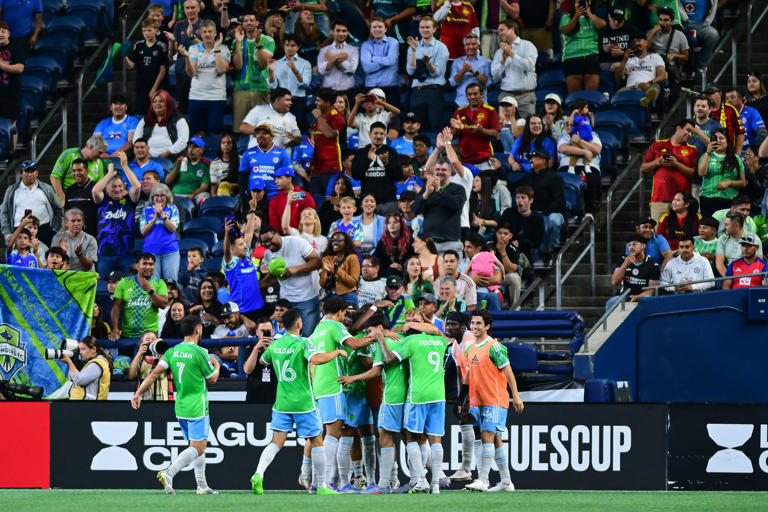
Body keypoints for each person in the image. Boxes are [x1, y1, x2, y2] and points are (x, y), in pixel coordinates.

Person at [249, 308, 345, 496]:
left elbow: (262, 361)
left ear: (282, 325)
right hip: (303, 403)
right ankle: (321, 486)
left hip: (282, 402)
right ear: (299, 324)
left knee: (276, 442)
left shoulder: (276, 345)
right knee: (317, 441)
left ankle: (258, 474)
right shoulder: (303, 343)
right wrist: (337, 352)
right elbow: (316, 359)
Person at [132, 314, 220, 495]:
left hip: (180, 407)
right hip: (197, 406)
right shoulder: (200, 352)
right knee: (198, 447)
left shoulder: (172, 352)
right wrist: (217, 364)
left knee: (196, 446)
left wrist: (138, 393)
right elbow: (212, 379)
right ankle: (169, 472)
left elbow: (154, 373)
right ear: (198, 330)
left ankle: (201, 485)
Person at [380, 317, 451, 494]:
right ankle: (435, 484)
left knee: (411, 436)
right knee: (435, 439)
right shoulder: (440, 341)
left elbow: (388, 358)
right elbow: (437, 331)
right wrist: (415, 324)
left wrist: (381, 338)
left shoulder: (411, 341)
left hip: (418, 395)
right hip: (438, 396)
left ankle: (420, 480)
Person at [337, 314, 403, 494]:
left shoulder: (387, 340)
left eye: (368, 329)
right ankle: (355, 480)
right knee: (361, 434)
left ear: (378, 327)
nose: (365, 332)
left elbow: (376, 367)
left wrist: (384, 336)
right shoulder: (358, 341)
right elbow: (372, 365)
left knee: (382, 436)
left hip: (380, 393)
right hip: (358, 392)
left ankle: (389, 479)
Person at [462, 309, 523, 492]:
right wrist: (462, 399)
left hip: (494, 399)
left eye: (479, 323)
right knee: (495, 439)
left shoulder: (494, 346)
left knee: (487, 435)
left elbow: (508, 371)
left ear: (487, 326)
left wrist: (516, 396)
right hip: (476, 400)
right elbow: (469, 376)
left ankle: (482, 479)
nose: (474, 327)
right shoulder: (470, 346)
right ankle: (506, 482)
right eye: (473, 323)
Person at [259, 225, 322, 335]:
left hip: (308, 297)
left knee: (308, 335)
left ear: (277, 234)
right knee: (290, 335)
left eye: (270, 239)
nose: (268, 244)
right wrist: (258, 285)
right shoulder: (268, 254)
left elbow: (317, 262)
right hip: (287, 300)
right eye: (264, 242)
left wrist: (295, 269)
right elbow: (274, 276)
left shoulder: (297, 242)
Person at [176, 19, 230, 135]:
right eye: (204, 32)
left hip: (217, 97)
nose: (207, 34)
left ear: (215, 33)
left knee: (214, 132)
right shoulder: (193, 49)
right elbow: (192, 73)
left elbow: (222, 69)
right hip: (196, 97)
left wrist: (217, 49)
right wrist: (186, 57)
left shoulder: (224, 48)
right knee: (197, 133)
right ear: (200, 33)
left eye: (210, 32)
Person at [92, 160, 141, 277]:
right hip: (105, 255)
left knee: (127, 286)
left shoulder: (129, 201)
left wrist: (125, 166)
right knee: (104, 285)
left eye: (120, 186)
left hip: (126, 254)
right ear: (107, 188)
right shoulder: (102, 201)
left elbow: (137, 186)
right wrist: (109, 174)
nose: (118, 189)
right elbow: (95, 191)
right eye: (114, 186)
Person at [231, 11, 276, 132]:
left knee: (263, 129)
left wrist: (258, 45)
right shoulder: (236, 41)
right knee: (241, 130)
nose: (249, 23)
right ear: (243, 24)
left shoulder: (268, 40)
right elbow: (238, 66)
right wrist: (239, 42)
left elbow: (262, 65)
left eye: (251, 20)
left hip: (261, 88)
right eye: (246, 21)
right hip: (241, 88)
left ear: (257, 23)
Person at [413, 155, 466, 255]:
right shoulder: (426, 189)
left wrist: (439, 190)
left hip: (450, 243)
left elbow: (455, 205)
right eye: (437, 169)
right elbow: (415, 210)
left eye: (444, 170)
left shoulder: (458, 189)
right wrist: (426, 193)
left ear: (450, 172)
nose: (440, 172)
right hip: (429, 244)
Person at [1, 161, 62, 247]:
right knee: (20, 259)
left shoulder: (47, 189)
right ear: (21, 174)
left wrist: (55, 230)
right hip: (20, 231)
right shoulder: (11, 191)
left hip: (43, 231)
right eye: (26, 171)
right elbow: (4, 213)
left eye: (32, 171)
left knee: (43, 258)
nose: (29, 174)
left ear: (37, 173)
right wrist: (7, 234)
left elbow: (58, 210)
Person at [111, 253, 170, 340]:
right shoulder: (124, 282)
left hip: (150, 335)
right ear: (138, 266)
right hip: (128, 335)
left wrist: (150, 291)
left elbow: (163, 304)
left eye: (151, 264)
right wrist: (115, 328)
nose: (148, 267)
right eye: (145, 263)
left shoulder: (159, 283)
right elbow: (116, 306)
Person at [406, 17, 449, 133]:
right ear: (419, 30)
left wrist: (428, 63)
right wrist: (414, 51)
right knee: (416, 129)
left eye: (428, 27)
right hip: (417, 91)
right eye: (422, 27)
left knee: (436, 127)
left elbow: (437, 73)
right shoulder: (413, 46)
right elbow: (410, 71)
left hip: (434, 91)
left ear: (434, 29)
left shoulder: (442, 47)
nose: (425, 30)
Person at [351, 122, 402, 212]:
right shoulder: (361, 152)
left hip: (389, 202)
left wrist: (386, 164)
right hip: (368, 203)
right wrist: (368, 160)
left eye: (381, 133)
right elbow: (356, 175)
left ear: (385, 135)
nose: (378, 136)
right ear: (370, 134)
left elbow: (398, 176)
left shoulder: (392, 152)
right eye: (375, 133)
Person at [491, 20, 537, 117]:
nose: (499, 34)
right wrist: (502, 63)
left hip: (526, 96)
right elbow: (495, 77)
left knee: (526, 128)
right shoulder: (499, 52)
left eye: (501, 30)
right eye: (498, 31)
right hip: (506, 95)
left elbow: (529, 66)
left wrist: (511, 54)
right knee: (506, 128)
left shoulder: (528, 45)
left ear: (511, 29)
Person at [556, 121, 603, 216]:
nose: (568, 127)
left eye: (571, 125)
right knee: (557, 180)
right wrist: (586, 152)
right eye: (567, 125)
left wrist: (579, 141)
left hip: (590, 168)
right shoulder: (564, 136)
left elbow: (596, 149)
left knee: (591, 178)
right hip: (566, 167)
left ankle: (589, 213)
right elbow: (564, 149)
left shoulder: (593, 135)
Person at [450, 83, 500, 171]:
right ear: (466, 96)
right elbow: (451, 136)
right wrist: (456, 129)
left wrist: (482, 130)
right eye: (469, 94)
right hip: (464, 161)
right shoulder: (459, 111)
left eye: (475, 94)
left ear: (481, 94)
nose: (472, 97)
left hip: (484, 160)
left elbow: (496, 134)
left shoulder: (490, 110)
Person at [698, 127, 747, 216]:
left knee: (727, 229)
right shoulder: (706, 156)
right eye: (715, 138)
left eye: (721, 138)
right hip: (708, 198)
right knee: (709, 228)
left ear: (727, 141)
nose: (718, 141)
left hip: (729, 199)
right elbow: (701, 173)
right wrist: (708, 152)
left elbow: (743, 182)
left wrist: (729, 183)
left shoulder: (736, 158)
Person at [125, 18, 169, 116]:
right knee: (141, 114)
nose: (146, 33)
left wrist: (154, 88)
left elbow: (163, 70)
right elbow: (130, 66)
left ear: (156, 31)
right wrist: (124, 56)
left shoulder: (161, 46)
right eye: (144, 30)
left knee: (156, 114)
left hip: (156, 86)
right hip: (141, 85)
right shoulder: (138, 45)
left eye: (149, 30)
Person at [559, 0, 605, 94]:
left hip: (591, 56)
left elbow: (602, 25)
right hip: (572, 57)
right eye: (578, 2)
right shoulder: (566, 17)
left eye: (583, 2)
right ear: (573, 5)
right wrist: (576, 16)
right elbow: (566, 31)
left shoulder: (592, 18)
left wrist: (589, 13)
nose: (581, 5)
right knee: (575, 95)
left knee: (591, 94)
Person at [268, 37, 312, 133]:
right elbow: (273, 85)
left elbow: (305, 83)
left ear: (298, 47)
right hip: (281, 103)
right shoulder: (277, 63)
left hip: (297, 103)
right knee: (279, 132)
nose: (289, 48)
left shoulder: (305, 63)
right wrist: (271, 72)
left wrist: (295, 70)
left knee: (298, 132)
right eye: (287, 45)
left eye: (293, 45)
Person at [606, 234, 661, 311]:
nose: (631, 247)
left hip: (643, 296)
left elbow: (652, 290)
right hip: (625, 296)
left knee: (647, 299)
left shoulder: (653, 265)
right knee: (612, 302)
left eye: (634, 244)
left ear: (643, 246)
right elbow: (614, 281)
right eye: (629, 245)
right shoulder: (623, 260)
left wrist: (637, 297)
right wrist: (625, 264)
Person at [308, 88, 347, 195]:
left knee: (330, 203)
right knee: (314, 203)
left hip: (332, 168)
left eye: (319, 100)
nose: (316, 103)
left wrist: (319, 117)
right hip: (317, 169)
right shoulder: (319, 116)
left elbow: (330, 134)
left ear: (328, 103)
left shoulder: (337, 117)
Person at [50, 135, 109, 205]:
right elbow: (54, 177)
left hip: (88, 204)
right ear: (91, 147)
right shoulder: (69, 154)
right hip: (68, 202)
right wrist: (63, 199)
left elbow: (100, 185)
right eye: (100, 152)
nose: (101, 156)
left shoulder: (99, 162)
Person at [133, 90, 190, 158]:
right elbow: (136, 139)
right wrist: (143, 153)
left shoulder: (179, 119)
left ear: (168, 103)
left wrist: (168, 152)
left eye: (161, 101)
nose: (157, 104)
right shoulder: (145, 120)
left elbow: (183, 140)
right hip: (147, 157)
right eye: (154, 101)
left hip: (172, 158)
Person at [140, 184, 180, 281]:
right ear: (152, 197)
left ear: (167, 197)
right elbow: (143, 232)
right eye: (156, 195)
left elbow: (173, 228)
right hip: (150, 253)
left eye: (162, 196)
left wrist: (162, 215)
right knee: (152, 284)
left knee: (171, 283)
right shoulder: (147, 209)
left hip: (170, 251)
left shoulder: (173, 208)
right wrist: (154, 219)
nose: (159, 198)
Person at [359, 18, 400, 110]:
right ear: (370, 29)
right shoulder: (366, 45)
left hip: (390, 88)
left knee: (392, 119)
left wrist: (373, 58)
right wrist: (384, 60)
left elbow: (390, 61)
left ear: (385, 29)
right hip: (371, 89)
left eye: (380, 27)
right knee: (371, 119)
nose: (377, 29)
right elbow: (367, 68)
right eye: (374, 27)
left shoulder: (393, 42)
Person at [616, 34, 665, 107]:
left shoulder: (655, 56)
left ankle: (646, 99)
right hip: (631, 87)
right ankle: (644, 99)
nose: (636, 43)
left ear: (646, 42)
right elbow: (618, 77)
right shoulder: (629, 60)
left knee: (655, 87)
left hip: (648, 86)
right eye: (634, 42)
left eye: (638, 40)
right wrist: (625, 59)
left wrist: (649, 83)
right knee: (618, 95)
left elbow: (662, 75)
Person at [500, 186, 544, 265]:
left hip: (525, 251)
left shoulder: (537, 218)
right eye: (517, 197)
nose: (519, 200)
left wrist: (520, 242)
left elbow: (538, 241)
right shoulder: (508, 213)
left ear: (530, 200)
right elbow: (499, 230)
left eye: (523, 198)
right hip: (505, 247)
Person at [317, 19, 359, 97]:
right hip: (329, 93)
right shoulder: (324, 51)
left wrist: (332, 58)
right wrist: (338, 57)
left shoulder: (353, 50)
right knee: (333, 110)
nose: (341, 34)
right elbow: (322, 70)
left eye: (344, 31)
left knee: (347, 110)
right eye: (338, 31)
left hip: (347, 93)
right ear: (332, 32)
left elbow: (351, 70)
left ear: (347, 33)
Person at [268, 166, 315, 234]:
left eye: (279, 178)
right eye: (275, 178)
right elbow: (274, 225)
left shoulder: (304, 196)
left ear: (289, 179)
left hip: (303, 236)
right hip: (283, 239)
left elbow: (311, 220)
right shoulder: (274, 200)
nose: (276, 181)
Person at [449, 34, 491, 108]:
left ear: (478, 46)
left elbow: (488, 83)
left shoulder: (486, 62)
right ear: (464, 47)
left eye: (473, 44)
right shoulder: (457, 62)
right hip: (461, 103)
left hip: (481, 104)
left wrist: (474, 72)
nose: (471, 47)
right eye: (468, 44)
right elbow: (453, 83)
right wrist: (463, 71)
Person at [165, 137, 211, 203]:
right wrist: (177, 167)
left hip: (194, 196)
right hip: (175, 195)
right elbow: (168, 181)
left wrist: (192, 195)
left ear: (202, 150)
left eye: (195, 147)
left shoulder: (206, 165)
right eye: (189, 147)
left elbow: (204, 187)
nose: (191, 150)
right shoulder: (180, 161)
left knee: (204, 196)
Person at [127, 331, 170, 401]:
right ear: (141, 344)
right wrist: (138, 354)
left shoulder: (164, 357)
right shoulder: (140, 359)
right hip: (143, 399)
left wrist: (162, 346)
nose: (151, 342)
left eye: (153, 339)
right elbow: (131, 376)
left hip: (163, 399)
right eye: (147, 340)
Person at [62, 158, 98, 239]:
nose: (76, 173)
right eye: (74, 170)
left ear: (87, 171)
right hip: (74, 236)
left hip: (92, 235)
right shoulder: (70, 189)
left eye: (79, 170)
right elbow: (67, 211)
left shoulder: (95, 188)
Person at [0, 21, 23, 147]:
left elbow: (20, 68)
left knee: (11, 123)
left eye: (3, 31)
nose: (0, 34)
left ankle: (12, 152)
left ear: (8, 33)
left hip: (11, 93)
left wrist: (2, 66)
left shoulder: (15, 48)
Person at [705, 84, 745, 155]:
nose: (708, 96)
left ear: (720, 94)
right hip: (706, 154)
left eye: (711, 93)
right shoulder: (701, 110)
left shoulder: (730, 109)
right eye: (707, 94)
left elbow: (740, 133)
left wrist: (737, 155)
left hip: (728, 154)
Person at [598, 7, 642, 71]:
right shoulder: (602, 31)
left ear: (624, 19)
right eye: (614, 19)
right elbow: (596, 53)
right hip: (606, 63)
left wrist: (623, 53)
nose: (616, 22)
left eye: (619, 20)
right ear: (609, 16)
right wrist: (604, 49)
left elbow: (642, 48)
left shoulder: (631, 30)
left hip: (626, 62)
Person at [724, 87, 766, 154]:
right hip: (731, 154)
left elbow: (762, 132)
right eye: (727, 98)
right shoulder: (724, 115)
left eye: (732, 97)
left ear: (740, 98)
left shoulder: (751, 112)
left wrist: (754, 149)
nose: (729, 100)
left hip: (750, 152)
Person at [680, 0, 718, 70]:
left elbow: (714, 3)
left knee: (713, 35)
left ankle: (699, 67)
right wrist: (684, 18)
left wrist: (708, 21)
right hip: (680, 25)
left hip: (700, 25)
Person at [374, 213, 414, 278]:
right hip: (386, 274)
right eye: (389, 223)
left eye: (395, 222)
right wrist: (389, 266)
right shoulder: (382, 241)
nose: (392, 224)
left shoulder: (409, 241)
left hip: (405, 275)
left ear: (401, 225)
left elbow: (413, 260)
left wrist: (403, 268)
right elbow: (377, 260)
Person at [716, 211, 751, 277]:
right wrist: (728, 278)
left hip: (747, 275)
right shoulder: (722, 239)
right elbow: (719, 263)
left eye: (726, 225)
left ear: (736, 225)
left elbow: (756, 264)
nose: (724, 227)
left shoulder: (753, 239)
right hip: (728, 274)